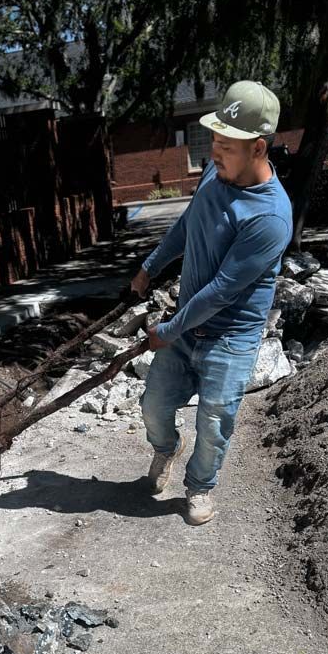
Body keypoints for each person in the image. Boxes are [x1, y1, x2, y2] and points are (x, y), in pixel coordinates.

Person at [131, 81, 293, 525]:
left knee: (214, 422)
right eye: (215, 141)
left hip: (230, 337)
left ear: (258, 147)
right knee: (153, 407)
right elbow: (187, 225)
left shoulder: (270, 217)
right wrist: (151, 266)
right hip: (187, 323)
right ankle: (167, 448)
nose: (214, 151)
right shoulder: (214, 174)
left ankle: (200, 488)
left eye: (226, 144)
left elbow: (223, 290)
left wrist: (166, 331)